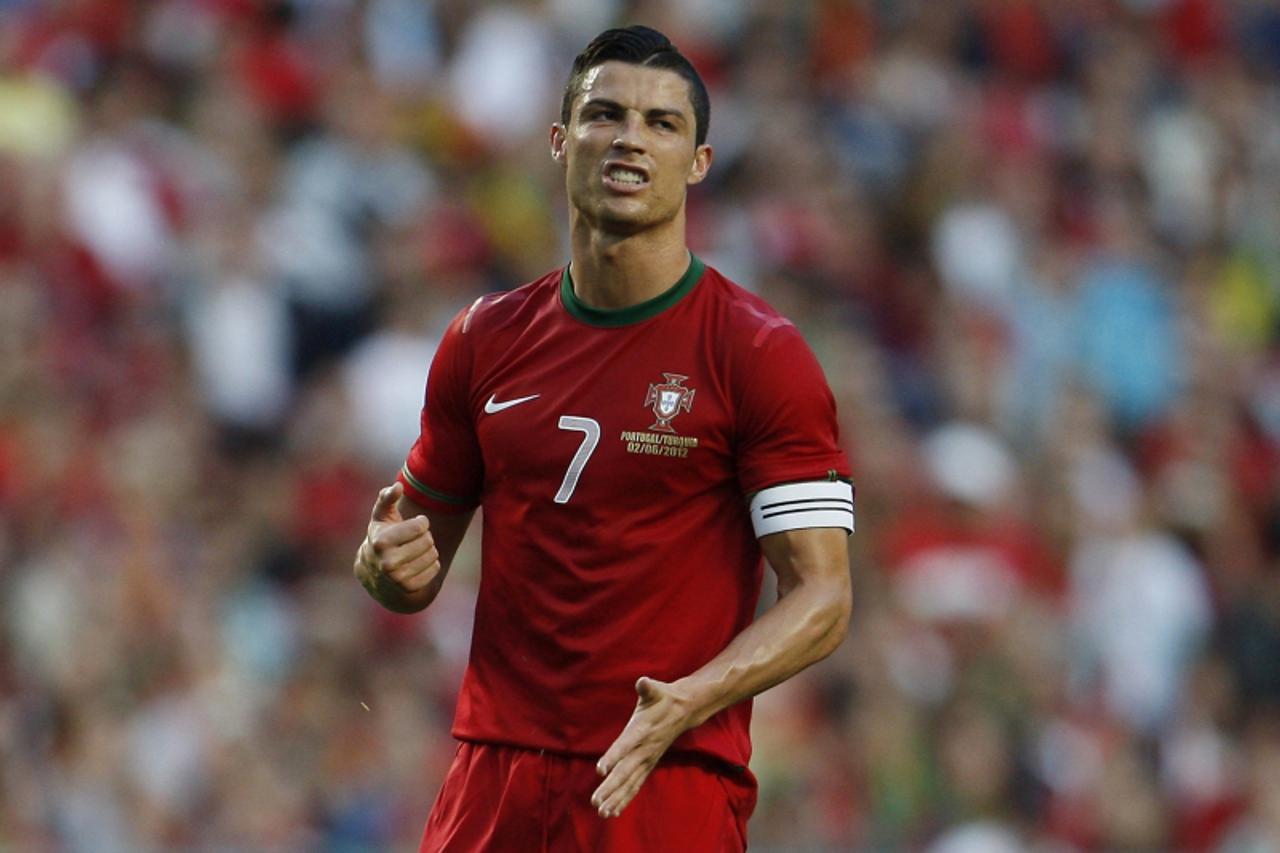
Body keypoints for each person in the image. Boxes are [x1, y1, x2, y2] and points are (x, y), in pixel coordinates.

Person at [353, 25, 855, 852]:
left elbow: (824, 595)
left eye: (662, 124)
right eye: (605, 114)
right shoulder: (484, 337)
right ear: (560, 142)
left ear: (699, 162)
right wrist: (383, 568)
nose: (630, 138)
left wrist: (691, 699)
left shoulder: (757, 353)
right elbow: (414, 569)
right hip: (495, 777)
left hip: (660, 778)